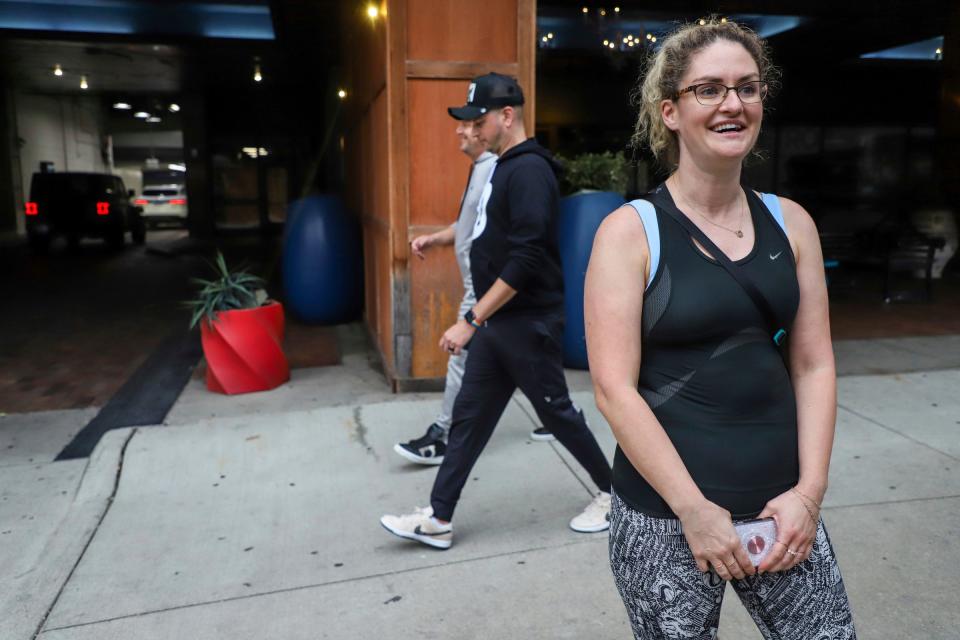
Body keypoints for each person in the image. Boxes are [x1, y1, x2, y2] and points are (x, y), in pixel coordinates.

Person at [585, 18, 856, 639]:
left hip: (781, 512)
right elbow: (613, 389)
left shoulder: (792, 224)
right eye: (709, 89)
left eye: (748, 87)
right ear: (671, 111)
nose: (733, 104)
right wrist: (694, 510)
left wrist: (808, 495)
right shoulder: (630, 233)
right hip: (665, 518)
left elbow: (814, 364)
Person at [381, 73, 613, 549]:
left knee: (557, 412)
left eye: (479, 119)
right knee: (469, 417)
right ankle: (439, 518)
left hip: (526, 322)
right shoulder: (504, 166)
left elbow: (527, 257)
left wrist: (471, 319)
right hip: (502, 322)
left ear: (507, 116)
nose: (473, 129)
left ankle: (614, 495)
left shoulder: (529, 171)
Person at [393, 118, 553, 467]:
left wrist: (478, 307)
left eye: (471, 126)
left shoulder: (498, 170)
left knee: (461, 360)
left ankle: (444, 434)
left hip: (485, 288)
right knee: (521, 358)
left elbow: (520, 242)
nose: (462, 132)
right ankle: (556, 417)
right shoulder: (481, 170)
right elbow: (468, 225)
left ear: (487, 132)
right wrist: (434, 239)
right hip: (481, 286)